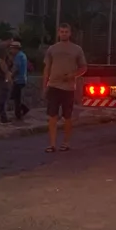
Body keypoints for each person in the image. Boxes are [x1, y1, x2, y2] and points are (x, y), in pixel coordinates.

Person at [43, 23, 87, 152]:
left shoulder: (77, 49)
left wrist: (73, 75)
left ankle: (66, 143)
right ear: (58, 33)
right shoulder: (52, 49)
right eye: (61, 31)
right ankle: (52, 144)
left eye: (66, 31)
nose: (64, 34)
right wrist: (44, 86)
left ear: (70, 33)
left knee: (67, 116)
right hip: (53, 86)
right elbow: (47, 68)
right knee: (52, 116)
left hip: (68, 88)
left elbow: (83, 68)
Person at [9, 40, 30, 121]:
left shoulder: (18, 56)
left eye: (12, 48)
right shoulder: (22, 55)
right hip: (22, 79)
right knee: (16, 97)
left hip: (19, 80)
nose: (11, 50)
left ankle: (19, 114)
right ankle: (22, 111)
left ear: (16, 49)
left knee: (15, 97)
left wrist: (10, 76)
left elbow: (16, 68)